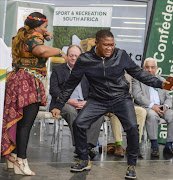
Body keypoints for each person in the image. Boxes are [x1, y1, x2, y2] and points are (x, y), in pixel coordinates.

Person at [50, 30, 172, 179]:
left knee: (132, 127)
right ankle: (83, 159)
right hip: (97, 99)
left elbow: (139, 73)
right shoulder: (85, 59)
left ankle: (131, 164)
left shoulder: (121, 55)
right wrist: (59, 104)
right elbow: (70, 84)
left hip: (120, 98)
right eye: (106, 45)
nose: (110, 48)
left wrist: (160, 83)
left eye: (112, 45)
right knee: (79, 124)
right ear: (96, 44)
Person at [1, 12, 66, 176]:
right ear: (38, 26)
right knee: (25, 124)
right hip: (28, 83)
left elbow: (38, 45)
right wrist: (59, 51)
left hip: (17, 80)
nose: (47, 29)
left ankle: (13, 158)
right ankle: (22, 160)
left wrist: (46, 35)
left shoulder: (21, 35)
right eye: (45, 26)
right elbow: (41, 51)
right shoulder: (33, 37)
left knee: (17, 120)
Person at [49, 45, 104, 158]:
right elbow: (53, 90)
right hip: (64, 104)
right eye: (71, 55)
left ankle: (87, 146)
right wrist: (68, 100)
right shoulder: (58, 69)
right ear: (67, 57)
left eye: (76, 56)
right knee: (71, 112)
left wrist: (87, 102)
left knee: (98, 115)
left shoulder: (87, 71)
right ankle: (80, 146)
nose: (73, 58)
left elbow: (95, 90)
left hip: (83, 103)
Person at [132, 57, 173, 158]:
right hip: (146, 107)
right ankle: (154, 145)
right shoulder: (137, 79)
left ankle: (168, 145)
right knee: (152, 115)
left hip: (162, 107)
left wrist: (166, 106)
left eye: (152, 67)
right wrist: (152, 106)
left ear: (156, 68)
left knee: (172, 115)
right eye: (147, 67)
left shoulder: (162, 80)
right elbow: (138, 96)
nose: (150, 70)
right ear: (143, 68)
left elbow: (168, 97)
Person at [105, 74, 146, 157]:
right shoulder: (104, 73)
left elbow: (130, 95)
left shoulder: (127, 77)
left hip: (124, 105)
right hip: (107, 106)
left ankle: (134, 145)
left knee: (141, 111)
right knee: (116, 112)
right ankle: (118, 144)